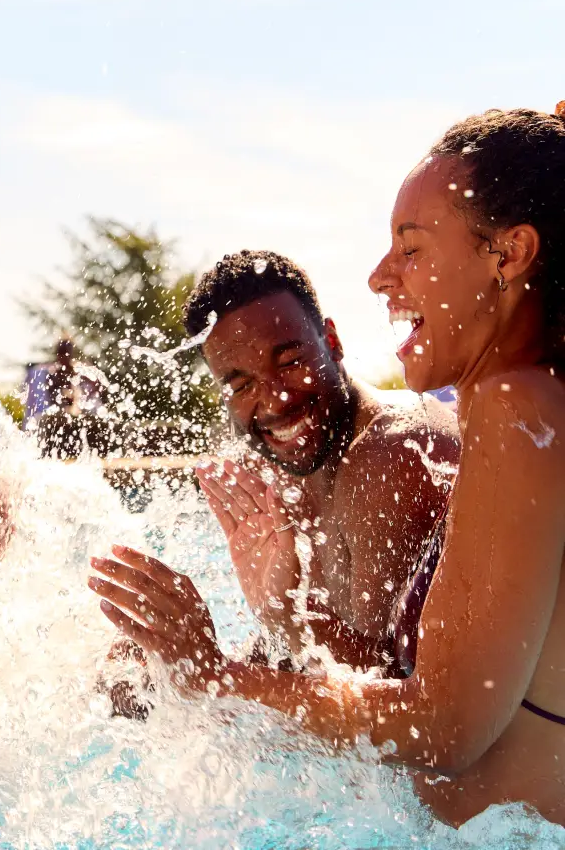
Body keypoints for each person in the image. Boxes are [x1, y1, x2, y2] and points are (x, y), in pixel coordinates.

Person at [90, 104, 565, 825]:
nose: (379, 277)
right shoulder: (526, 404)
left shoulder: (515, 407)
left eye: (411, 249)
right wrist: (271, 623)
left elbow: (443, 728)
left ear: (509, 254)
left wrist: (213, 676)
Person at [186, 251, 458, 667]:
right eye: (242, 386)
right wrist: (182, 667)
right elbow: (301, 655)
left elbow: (392, 685)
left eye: (291, 362)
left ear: (331, 342)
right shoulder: (278, 467)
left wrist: (279, 622)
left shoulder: (398, 453)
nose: (274, 400)